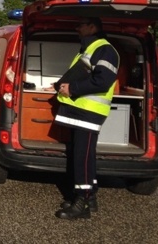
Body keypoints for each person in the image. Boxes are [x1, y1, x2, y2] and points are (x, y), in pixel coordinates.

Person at [51, 17, 119, 220]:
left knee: (83, 157)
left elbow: (102, 81)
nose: (77, 28)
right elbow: (78, 75)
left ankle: (83, 203)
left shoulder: (104, 49)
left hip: (89, 113)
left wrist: (72, 88)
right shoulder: (89, 49)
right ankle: (87, 198)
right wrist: (59, 86)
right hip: (81, 113)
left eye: (80, 25)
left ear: (92, 27)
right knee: (82, 156)